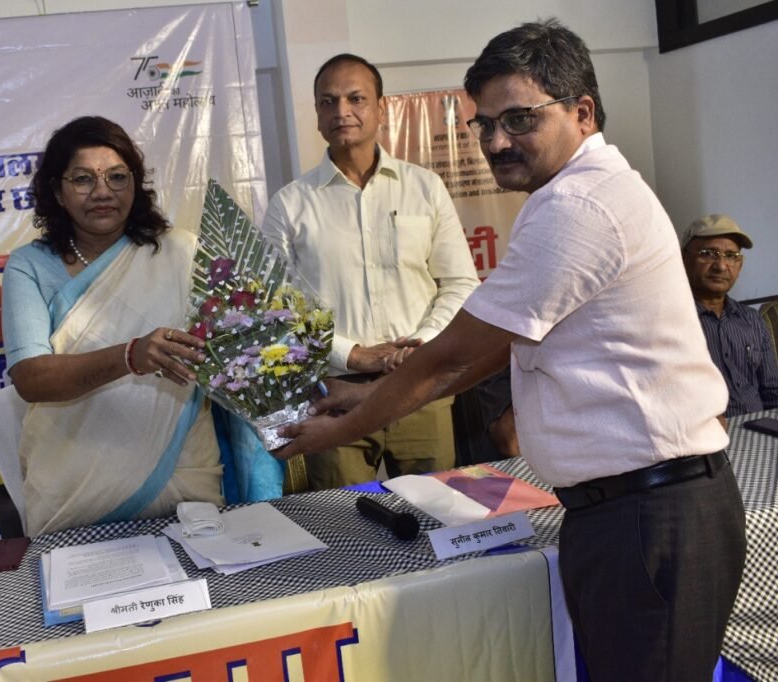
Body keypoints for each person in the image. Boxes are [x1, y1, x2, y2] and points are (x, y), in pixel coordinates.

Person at [275, 20, 746, 681]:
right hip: (631, 508)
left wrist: (339, 425)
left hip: (648, 515)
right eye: (485, 125)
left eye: (520, 119)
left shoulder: (577, 207)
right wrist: (359, 388)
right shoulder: (570, 196)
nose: (497, 141)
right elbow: (500, 344)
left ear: (582, 112)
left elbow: (455, 353)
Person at [260, 53, 480, 489]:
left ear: (381, 108)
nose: (342, 111)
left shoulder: (424, 187)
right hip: (332, 392)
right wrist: (351, 354)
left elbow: (460, 283)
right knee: (340, 515)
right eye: (328, 102)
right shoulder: (290, 204)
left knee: (438, 508)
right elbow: (274, 309)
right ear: (318, 115)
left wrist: (419, 346)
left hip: (420, 385)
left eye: (356, 98)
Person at [1, 116, 222, 536]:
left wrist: (344, 355)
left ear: (135, 184)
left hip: (179, 477)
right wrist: (130, 355)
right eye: (83, 179)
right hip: (74, 489)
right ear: (57, 191)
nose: (103, 192)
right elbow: (30, 378)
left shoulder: (180, 252)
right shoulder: (30, 266)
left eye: (117, 177)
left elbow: (250, 332)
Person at [681, 213, 778, 417]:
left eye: (731, 256)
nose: (721, 266)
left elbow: (772, 390)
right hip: (702, 433)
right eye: (708, 253)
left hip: (759, 427)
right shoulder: (667, 322)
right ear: (683, 258)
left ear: (740, 265)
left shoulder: (752, 319)